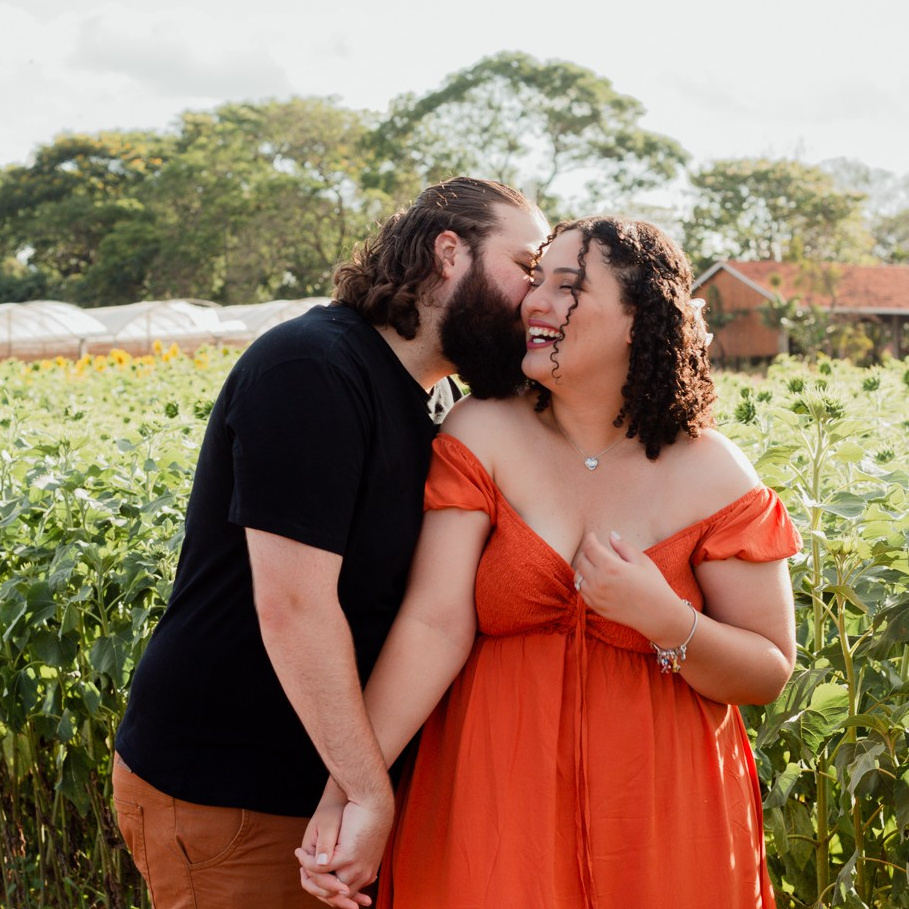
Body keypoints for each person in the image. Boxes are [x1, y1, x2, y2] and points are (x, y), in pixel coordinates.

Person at [299, 216, 802, 908]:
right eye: (535, 279)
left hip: (660, 815)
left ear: (637, 319)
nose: (534, 300)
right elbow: (432, 624)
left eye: (567, 285)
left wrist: (664, 618)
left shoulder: (714, 472)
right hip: (495, 804)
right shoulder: (482, 429)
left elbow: (768, 669)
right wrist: (349, 792)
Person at [111, 176, 550, 909]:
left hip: (318, 788)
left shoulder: (434, 398)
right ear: (449, 252)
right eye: (526, 266)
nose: (535, 296)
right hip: (234, 792)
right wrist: (366, 791)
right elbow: (294, 605)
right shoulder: (313, 367)